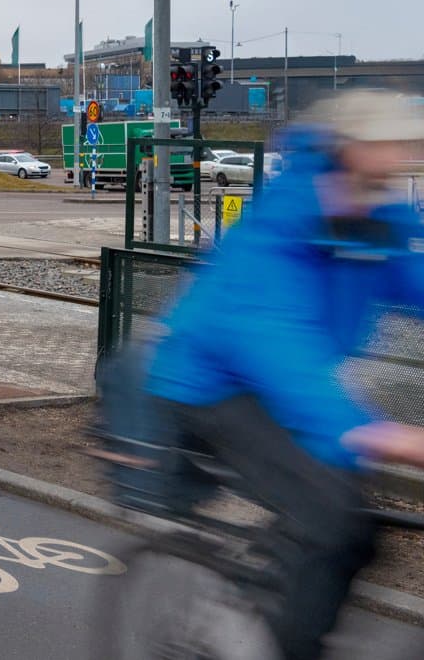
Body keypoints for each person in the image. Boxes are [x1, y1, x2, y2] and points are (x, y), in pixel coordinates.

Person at [144, 89, 424, 660]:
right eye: (390, 143)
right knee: (333, 519)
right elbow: (279, 348)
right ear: (349, 148)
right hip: (214, 387)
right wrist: (377, 433)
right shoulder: (281, 226)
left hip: (291, 387)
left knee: (360, 536)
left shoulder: (380, 214)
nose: (403, 156)